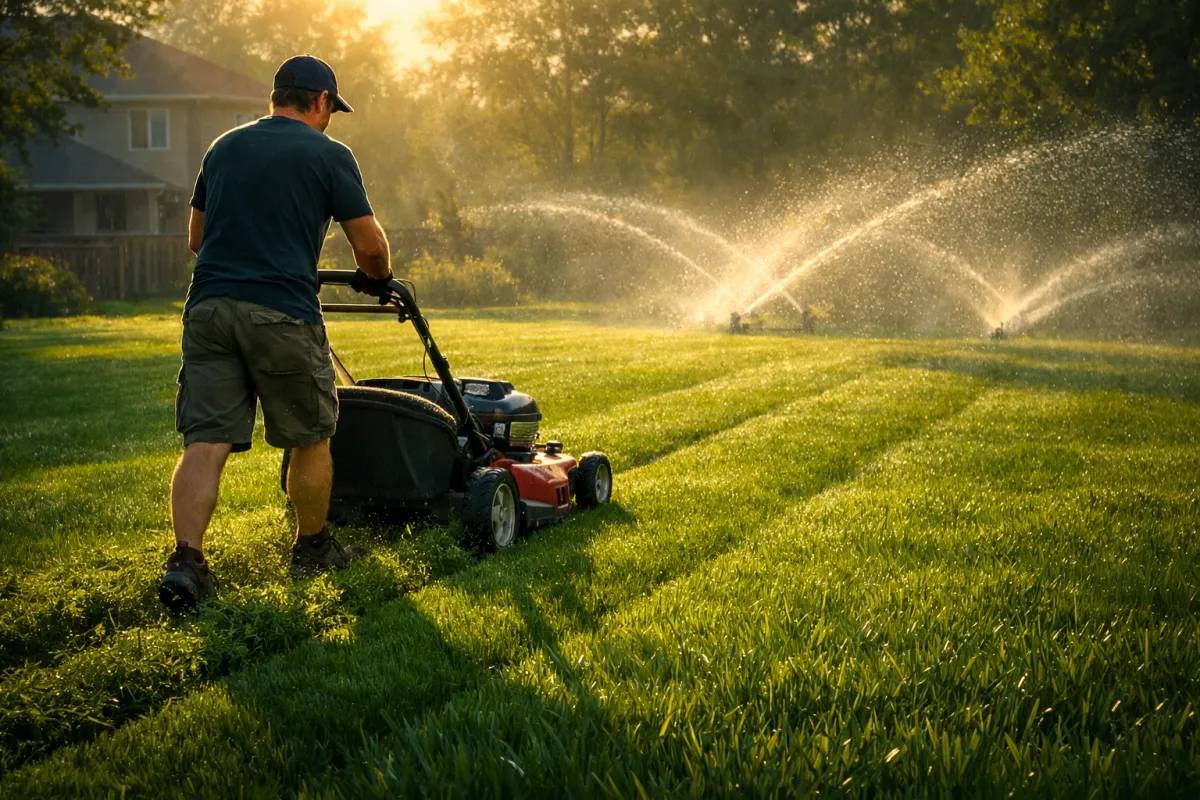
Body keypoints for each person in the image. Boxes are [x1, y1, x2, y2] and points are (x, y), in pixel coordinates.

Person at [159, 55, 394, 613]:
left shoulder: (224, 146)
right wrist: (375, 280)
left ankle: (187, 562)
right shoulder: (329, 154)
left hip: (209, 309)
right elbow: (372, 247)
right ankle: (312, 547)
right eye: (331, 108)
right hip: (281, 311)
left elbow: (197, 237)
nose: (330, 119)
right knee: (310, 434)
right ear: (318, 102)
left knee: (206, 439)